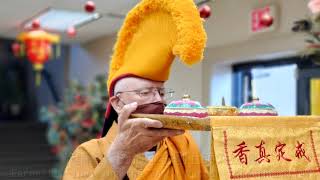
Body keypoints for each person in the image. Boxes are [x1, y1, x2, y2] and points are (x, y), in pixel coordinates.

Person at [63, 0, 208, 179]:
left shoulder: (181, 143)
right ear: (117, 103)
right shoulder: (89, 153)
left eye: (161, 92)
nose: (158, 100)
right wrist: (122, 151)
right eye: (145, 93)